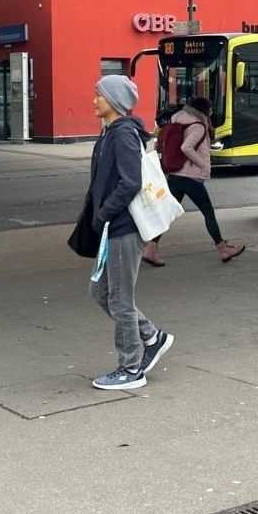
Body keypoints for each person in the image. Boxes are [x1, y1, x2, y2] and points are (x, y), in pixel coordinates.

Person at [84, 74, 174, 390]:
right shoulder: (112, 132)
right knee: (101, 292)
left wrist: (105, 212)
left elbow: (130, 182)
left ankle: (131, 368)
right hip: (113, 228)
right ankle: (151, 335)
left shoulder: (121, 134)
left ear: (114, 100)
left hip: (123, 227)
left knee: (120, 299)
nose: (94, 99)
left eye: (98, 94)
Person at [142, 96, 244, 267]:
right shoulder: (197, 125)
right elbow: (186, 147)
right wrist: (202, 163)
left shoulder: (179, 120)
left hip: (175, 175)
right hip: (190, 177)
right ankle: (223, 249)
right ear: (204, 110)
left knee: (167, 213)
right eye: (210, 109)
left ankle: (151, 249)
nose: (211, 113)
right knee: (208, 213)